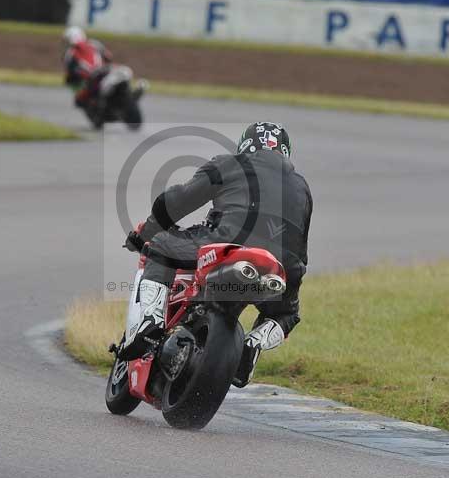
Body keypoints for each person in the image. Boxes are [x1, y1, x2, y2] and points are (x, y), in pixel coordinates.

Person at [122, 122, 312, 388]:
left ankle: (151, 323)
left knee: (161, 247)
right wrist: (292, 273)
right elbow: (300, 247)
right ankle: (254, 343)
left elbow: (178, 201)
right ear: (285, 152)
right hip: (282, 264)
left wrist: (148, 232)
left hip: (226, 244)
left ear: (245, 145)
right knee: (286, 314)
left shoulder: (229, 163)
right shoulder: (302, 187)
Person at [62, 26, 112, 120]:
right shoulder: (95, 43)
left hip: (89, 78)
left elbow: (69, 70)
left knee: (78, 98)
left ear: (71, 38)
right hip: (103, 72)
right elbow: (108, 57)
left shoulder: (69, 52)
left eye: (67, 40)